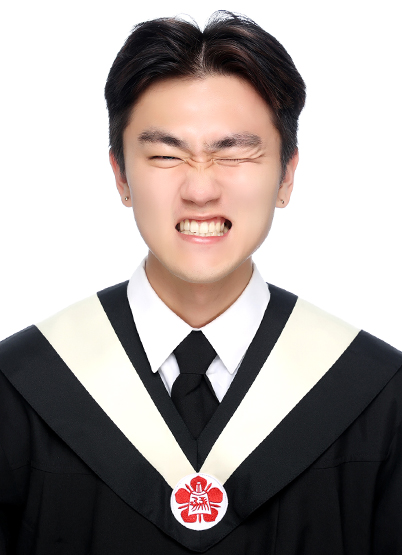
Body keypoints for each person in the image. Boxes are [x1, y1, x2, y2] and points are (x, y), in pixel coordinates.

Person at [0, 11, 401, 554]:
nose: (200, 190)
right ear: (121, 175)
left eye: (233, 152)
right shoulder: (20, 389)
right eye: (166, 155)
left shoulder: (377, 396)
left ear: (286, 175)